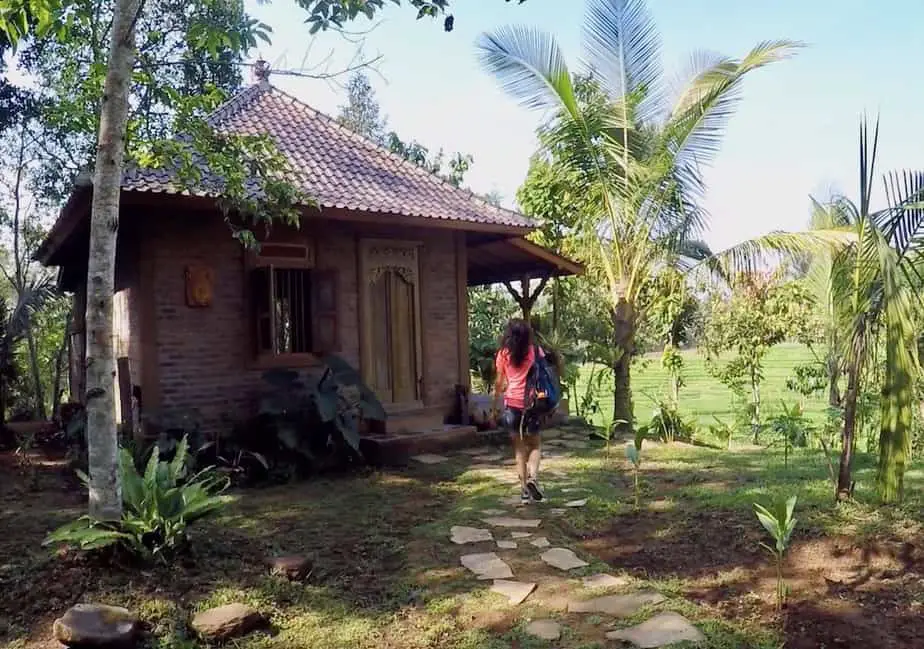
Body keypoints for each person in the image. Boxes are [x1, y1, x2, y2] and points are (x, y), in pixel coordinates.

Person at [492, 318, 545, 505]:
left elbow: (499, 383)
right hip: (531, 403)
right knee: (536, 445)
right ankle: (533, 478)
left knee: (519, 449)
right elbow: (544, 373)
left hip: (512, 405)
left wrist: (494, 407)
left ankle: (524, 492)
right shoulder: (535, 351)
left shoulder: (503, 354)